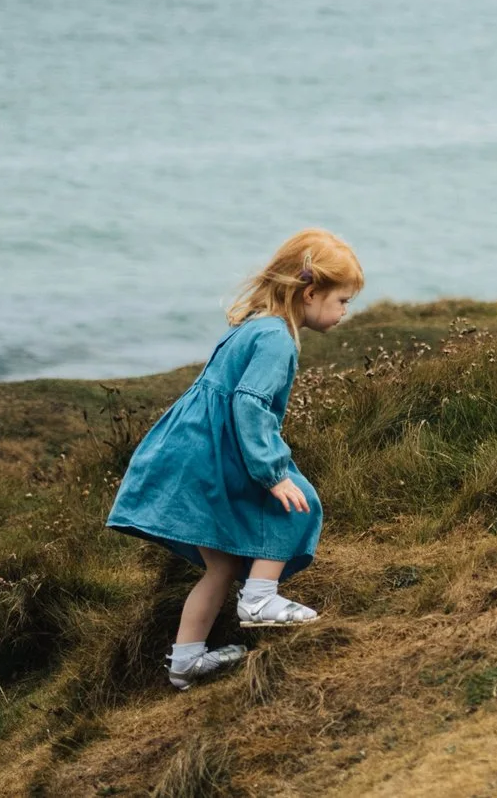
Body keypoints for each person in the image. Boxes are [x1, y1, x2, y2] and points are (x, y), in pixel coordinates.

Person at [107, 228, 363, 688]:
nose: (346, 311)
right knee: (296, 501)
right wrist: (272, 473)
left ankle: (185, 663)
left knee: (221, 567)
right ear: (310, 292)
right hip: (214, 450)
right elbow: (248, 405)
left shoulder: (255, 325)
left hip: (193, 448)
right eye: (342, 300)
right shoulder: (277, 339)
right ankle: (261, 598)